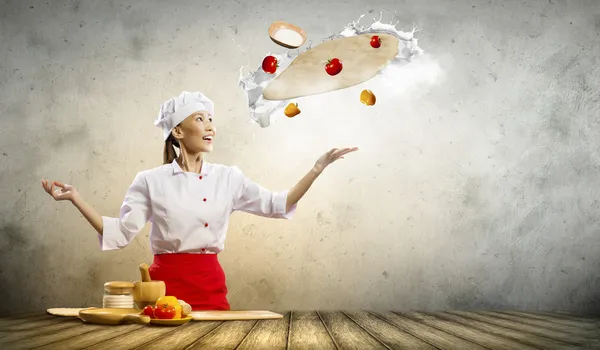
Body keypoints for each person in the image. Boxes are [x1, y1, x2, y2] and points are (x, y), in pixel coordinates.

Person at [41, 91, 358, 311]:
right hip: (164, 290)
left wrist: (317, 168)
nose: (210, 126)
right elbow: (119, 233)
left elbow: (279, 204)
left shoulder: (228, 178)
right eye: (200, 119)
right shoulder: (150, 180)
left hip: (210, 285)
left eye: (211, 119)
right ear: (177, 131)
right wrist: (76, 198)